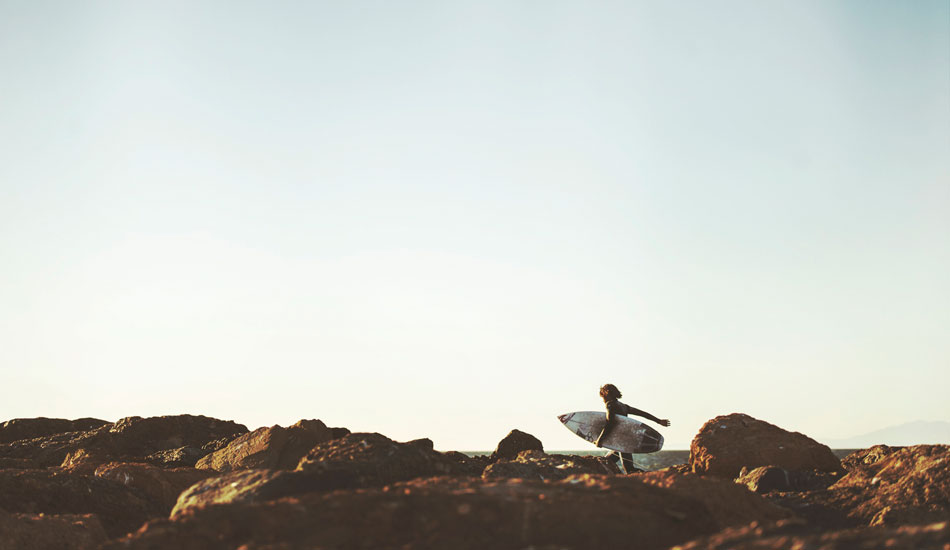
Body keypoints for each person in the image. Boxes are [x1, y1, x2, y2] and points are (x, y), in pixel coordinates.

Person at [594, 383, 670, 474]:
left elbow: (610, 423)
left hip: (622, 442)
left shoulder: (610, 404)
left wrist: (600, 440)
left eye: (602, 397)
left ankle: (650, 476)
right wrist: (658, 421)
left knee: (629, 469)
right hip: (624, 440)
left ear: (606, 394)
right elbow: (642, 413)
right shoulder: (623, 406)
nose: (603, 400)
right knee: (607, 461)